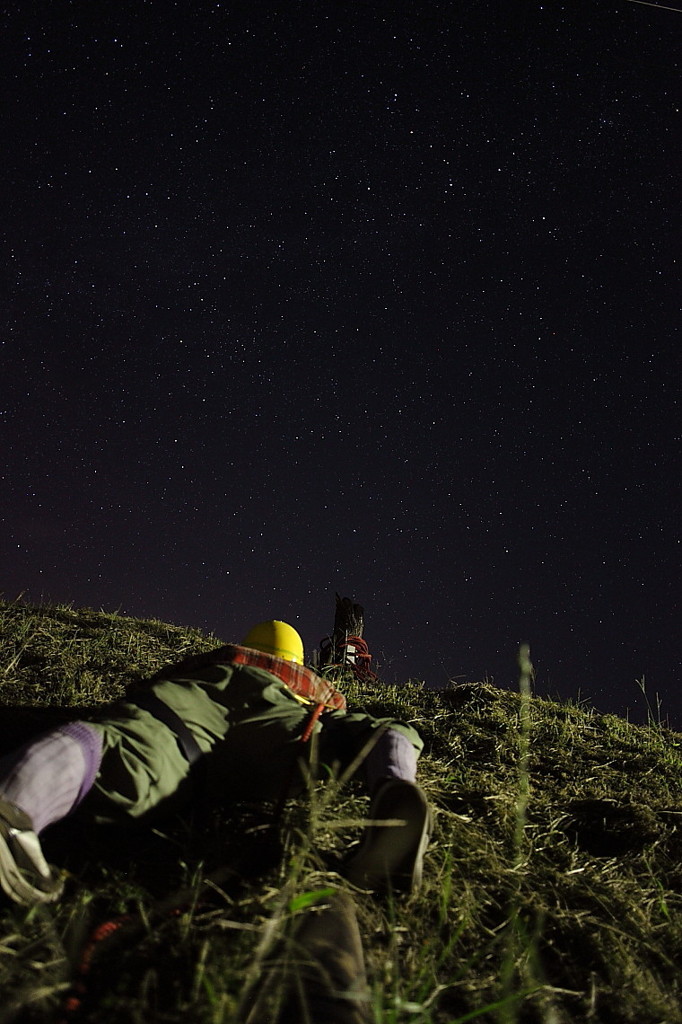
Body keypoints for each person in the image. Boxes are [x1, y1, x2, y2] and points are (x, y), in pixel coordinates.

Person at [0, 620, 430, 906]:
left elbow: (148, 688)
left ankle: (16, 808)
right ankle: (393, 793)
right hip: (282, 717)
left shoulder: (222, 659)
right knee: (381, 731)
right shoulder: (305, 680)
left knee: (109, 745)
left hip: (191, 709)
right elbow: (338, 706)